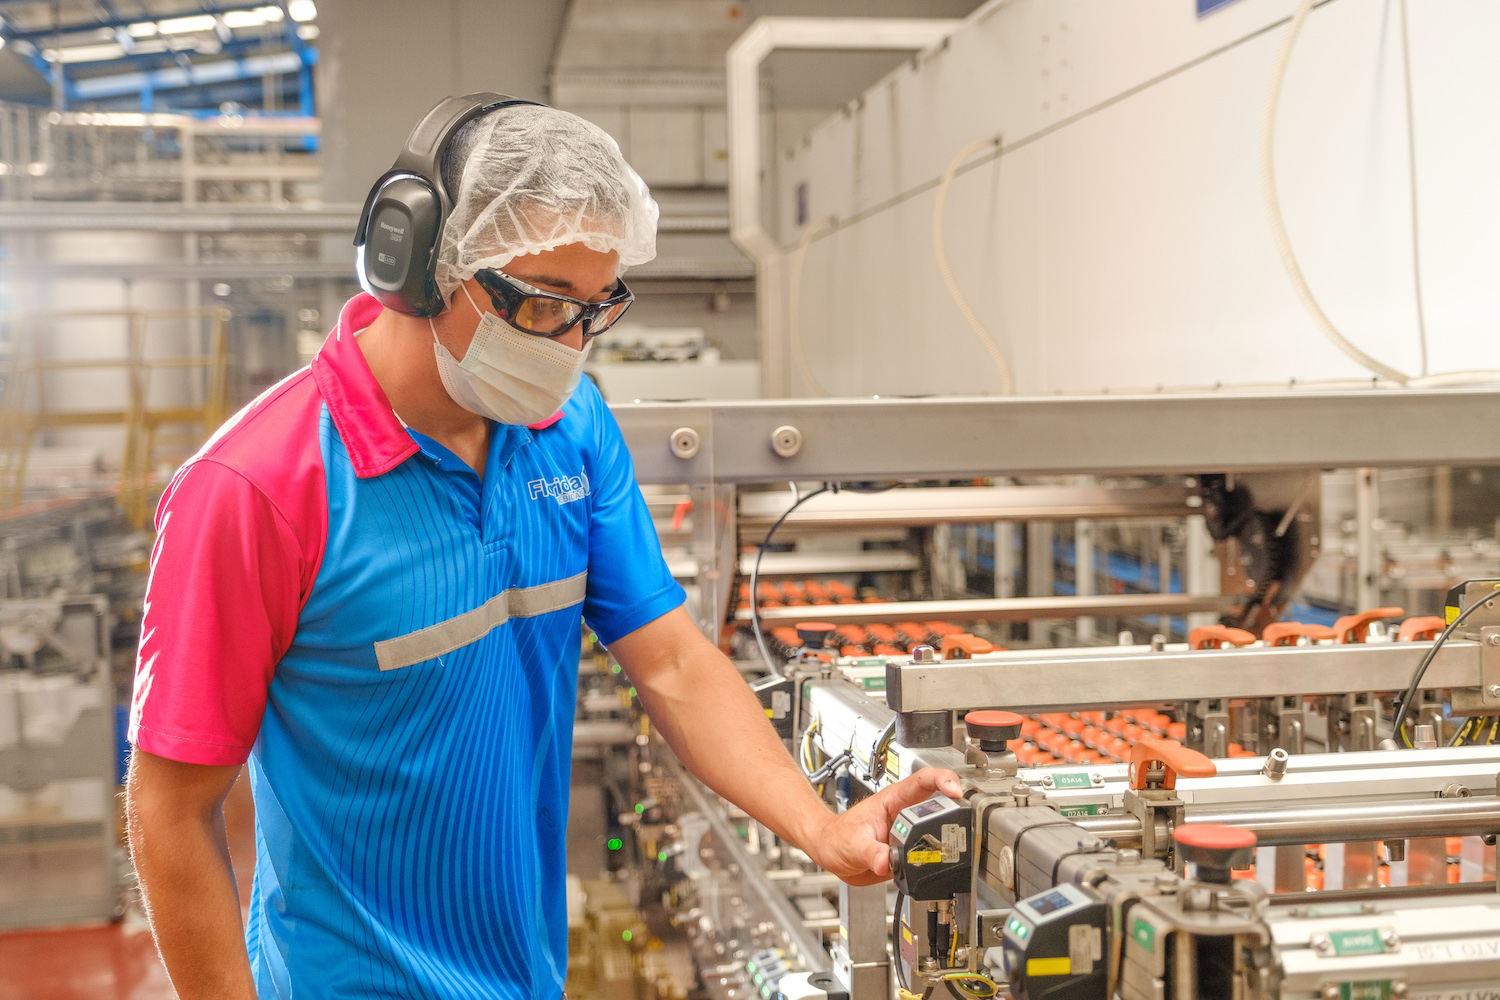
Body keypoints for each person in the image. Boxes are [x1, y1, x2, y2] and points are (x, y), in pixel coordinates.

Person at [124, 98, 960, 1000]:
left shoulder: (568, 427)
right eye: (543, 306)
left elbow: (674, 662)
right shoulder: (255, 491)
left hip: (527, 976)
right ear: (418, 267)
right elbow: (170, 809)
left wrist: (820, 829)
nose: (571, 346)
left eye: (596, 309)